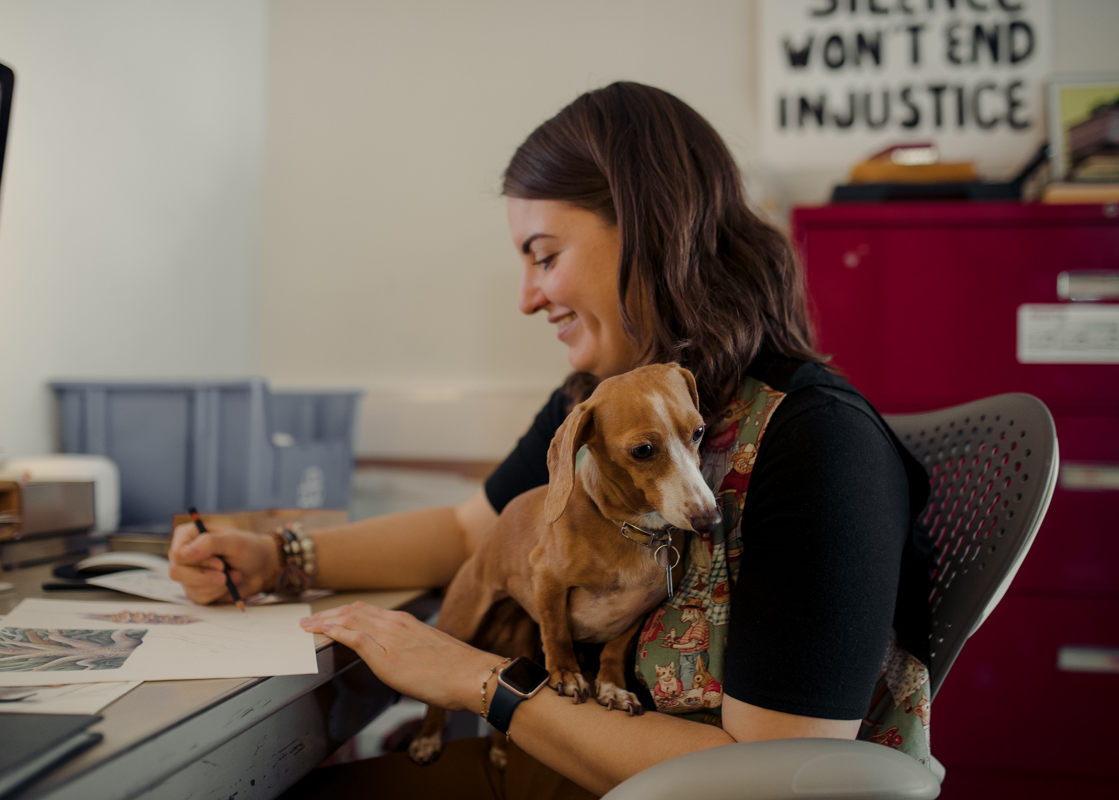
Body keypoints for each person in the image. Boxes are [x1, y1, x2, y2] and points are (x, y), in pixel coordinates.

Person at [168, 81, 934, 798]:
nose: (528, 298)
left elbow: (778, 780)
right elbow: (466, 532)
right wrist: (278, 558)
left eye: (544, 256)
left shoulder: (819, 444)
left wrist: (478, 681)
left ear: (650, 232)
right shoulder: (601, 406)